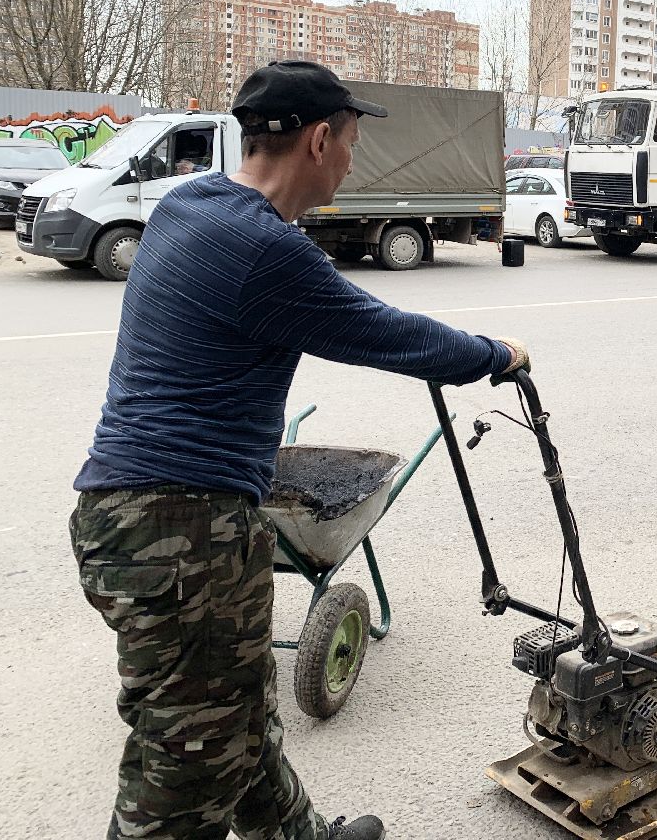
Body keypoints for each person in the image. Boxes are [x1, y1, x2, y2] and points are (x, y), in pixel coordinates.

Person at [70, 60, 530, 840]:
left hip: (130, 518)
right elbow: (390, 335)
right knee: (186, 765)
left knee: (235, 711)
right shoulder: (264, 251)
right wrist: (496, 354)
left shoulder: (188, 207)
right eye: (351, 142)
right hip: (182, 530)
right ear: (319, 140)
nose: (353, 160)